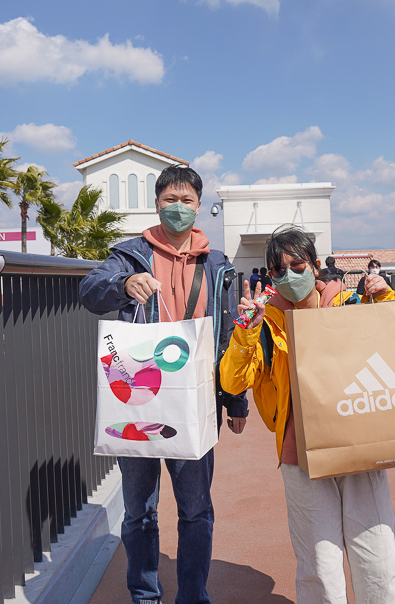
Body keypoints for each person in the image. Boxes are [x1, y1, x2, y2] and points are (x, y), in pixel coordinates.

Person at [79, 165, 248, 604]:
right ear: (158, 203)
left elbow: (229, 335)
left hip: (196, 400)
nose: (178, 208)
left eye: (187, 201)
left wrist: (235, 402)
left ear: (198, 206)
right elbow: (90, 290)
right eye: (170, 200)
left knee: (196, 510)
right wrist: (123, 282)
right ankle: (145, 593)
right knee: (139, 511)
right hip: (138, 401)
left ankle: (193, 595)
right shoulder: (130, 253)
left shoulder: (218, 265)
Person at [220, 226, 395, 604]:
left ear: (316, 267)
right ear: (269, 276)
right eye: (278, 270)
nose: (288, 275)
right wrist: (245, 333)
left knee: (377, 555)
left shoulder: (351, 305)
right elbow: (233, 381)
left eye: (297, 264)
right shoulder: (264, 322)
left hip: (358, 444)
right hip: (298, 452)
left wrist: (385, 294)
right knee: (318, 565)